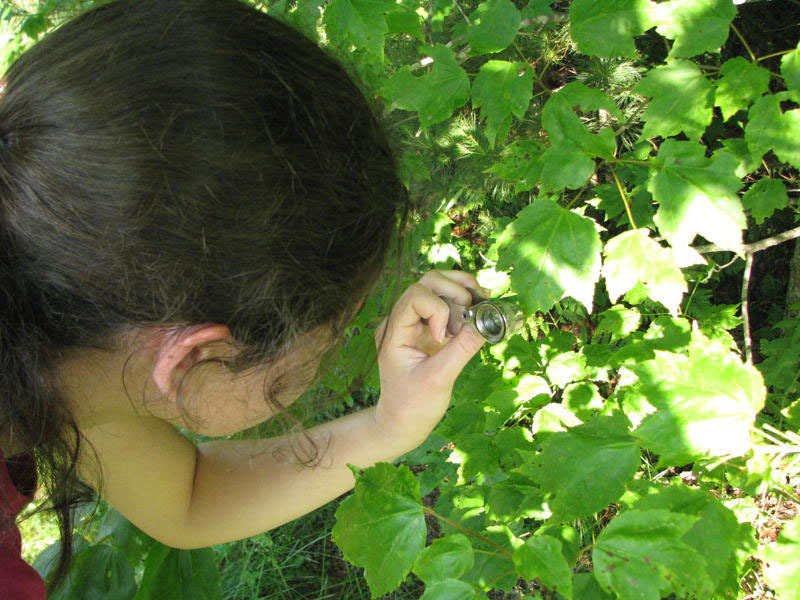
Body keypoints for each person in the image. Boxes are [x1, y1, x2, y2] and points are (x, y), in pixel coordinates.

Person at [0, 0, 487, 596]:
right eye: (334, 334)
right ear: (190, 359)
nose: (338, 346)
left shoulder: (70, 332)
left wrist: (389, 427)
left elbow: (186, 499)